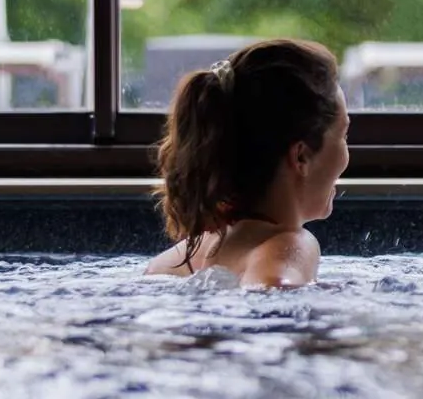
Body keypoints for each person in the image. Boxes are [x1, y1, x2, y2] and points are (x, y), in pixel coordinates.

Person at [145, 38, 349, 288]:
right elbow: (273, 289)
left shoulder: (173, 261)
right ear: (301, 157)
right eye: (343, 135)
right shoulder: (290, 244)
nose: (347, 154)